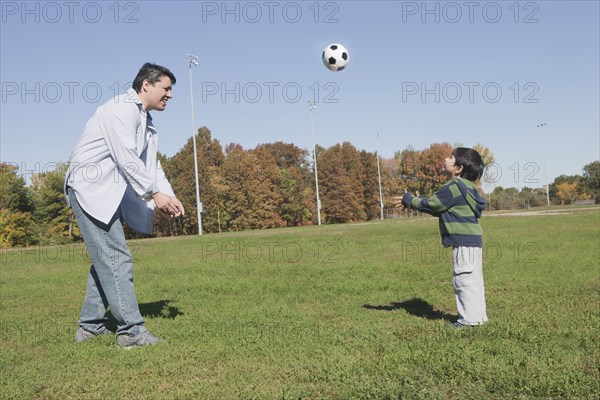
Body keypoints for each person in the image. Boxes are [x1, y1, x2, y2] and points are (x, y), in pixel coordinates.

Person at [64, 63, 185, 347]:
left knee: (105, 260)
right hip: (90, 189)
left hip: (107, 191)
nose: (170, 95)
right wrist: (154, 194)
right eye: (166, 88)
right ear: (147, 85)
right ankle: (131, 332)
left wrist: (167, 193)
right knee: (117, 258)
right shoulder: (121, 109)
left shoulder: (146, 121)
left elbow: (151, 165)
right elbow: (126, 158)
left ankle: (90, 326)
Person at [396, 147, 488, 328]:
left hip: (462, 240)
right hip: (473, 240)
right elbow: (440, 207)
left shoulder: (454, 186)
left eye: (451, 158)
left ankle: (469, 322)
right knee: (473, 280)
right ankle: (478, 317)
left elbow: (434, 204)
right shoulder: (469, 188)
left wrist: (409, 200)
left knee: (463, 279)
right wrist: (420, 201)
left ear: (458, 168)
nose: (446, 159)